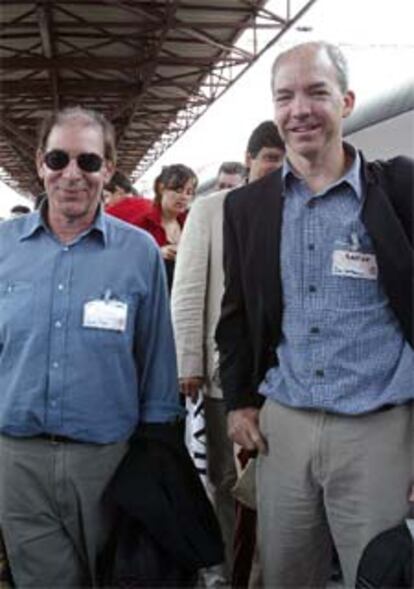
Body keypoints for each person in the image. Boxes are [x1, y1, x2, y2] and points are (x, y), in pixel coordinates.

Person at [216, 41, 414, 588]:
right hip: (285, 429)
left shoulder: (400, 190)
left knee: (378, 575)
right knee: (285, 575)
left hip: (378, 429)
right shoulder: (247, 208)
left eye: (316, 92)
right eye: (285, 96)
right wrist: (237, 404)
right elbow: (235, 318)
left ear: (346, 102)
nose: (299, 109)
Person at [0, 106, 183, 588]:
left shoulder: (138, 251)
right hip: (19, 463)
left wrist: (160, 451)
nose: (71, 175)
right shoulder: (3, 248)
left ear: (107, 167)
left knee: (117, 576)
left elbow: (156, 358)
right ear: (41, 163)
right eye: (58, 159)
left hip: (108, 462)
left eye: (88, 161)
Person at [171, 120, 285, 585]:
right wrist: (189, 363)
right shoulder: (211, 210)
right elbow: (190, 287)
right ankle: (220, 569)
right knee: (222, 480)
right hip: (223, 376)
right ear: (251, 157)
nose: (277, 169)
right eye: (271, 160)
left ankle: (260, 571)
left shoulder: (294, 205)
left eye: (283, 161)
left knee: (272, 485)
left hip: (279, 380)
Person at [134, 164, 197, 291]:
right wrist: (157, 253)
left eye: (189, 192)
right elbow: (129, 262)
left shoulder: (193, 224)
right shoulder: (142, 224)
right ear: (161, 188)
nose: (184, 197)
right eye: (178, 190)